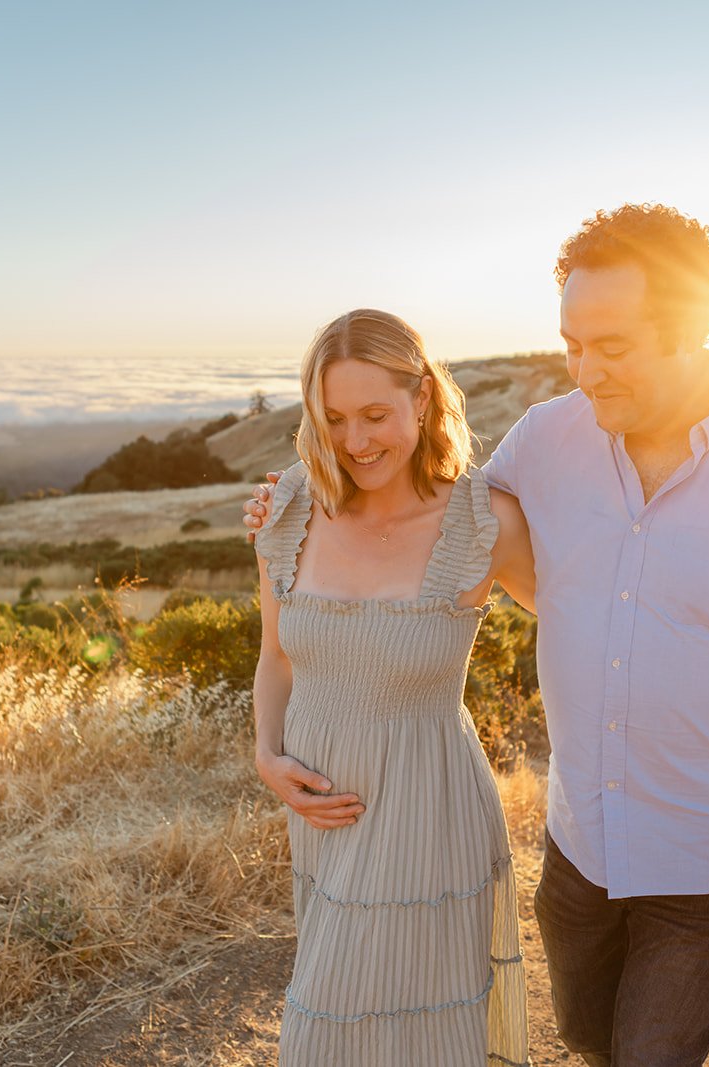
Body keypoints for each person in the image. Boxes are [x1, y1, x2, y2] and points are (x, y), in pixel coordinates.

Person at [246, 204, 709, 1066]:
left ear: (696, 327)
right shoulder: (544, 444)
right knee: (589, 1040)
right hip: (579, 855)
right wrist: (292, 506)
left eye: (614, 346)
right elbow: (425, 514)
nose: (586, 372)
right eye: (572, 345)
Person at [251, 308, 535, 1066]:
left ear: (424, 401)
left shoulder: (485, 521)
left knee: (369, 1036)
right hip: (324, 824)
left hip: (432, 818)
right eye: (335, 418)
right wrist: (266, 755)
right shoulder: (286, 512)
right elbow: (275, 657)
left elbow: (594, 623)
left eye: (376, 414)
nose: (356, 440)